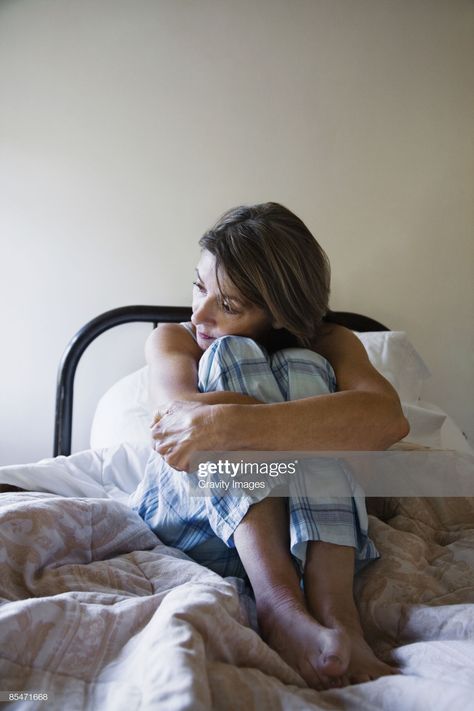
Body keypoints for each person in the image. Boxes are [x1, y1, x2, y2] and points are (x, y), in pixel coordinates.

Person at [129, 202, 409, 691]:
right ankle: (278, 605)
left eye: (228, 305)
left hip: (306, 534)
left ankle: (336, 615)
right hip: (197, 520)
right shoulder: (171, 340)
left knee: (305, 369)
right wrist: (318, 423)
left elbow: (388, 419)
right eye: (199, 286)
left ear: (279, 313)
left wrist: (235, 419)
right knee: (236, 356)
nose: (198, 313)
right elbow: (184, 429)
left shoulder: (330, 343)